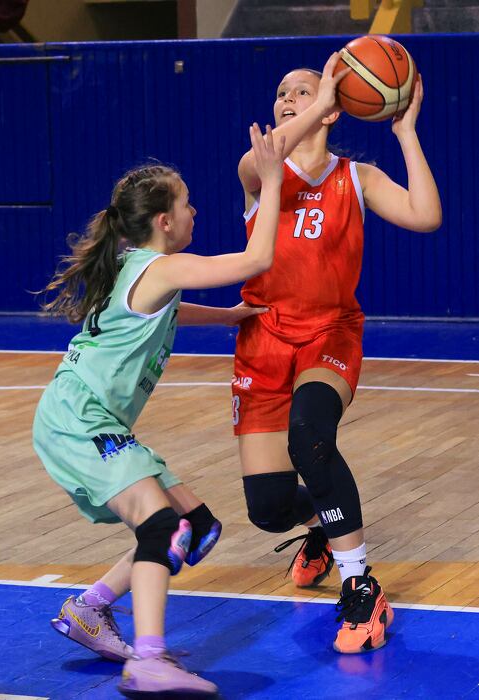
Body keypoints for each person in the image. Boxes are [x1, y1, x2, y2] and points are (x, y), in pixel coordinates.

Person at [32, 120, 296, 696]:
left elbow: (166, 307)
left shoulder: (135, 266)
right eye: (187, 203)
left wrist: (227, 317)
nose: (194, 211)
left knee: (196, 527)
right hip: (79, 421)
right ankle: (148, 660)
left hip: (84, 417)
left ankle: (90, 607)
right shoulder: (162, 266)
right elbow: (257, 259)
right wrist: (272, 181)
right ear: (163, 221)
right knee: (161, 526)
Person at [233, 53, 442, 654]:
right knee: (268, 508)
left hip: (330, 333)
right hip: (263, 340)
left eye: (302, 91)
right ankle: (323, 529)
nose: (287, 98)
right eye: (282, 92)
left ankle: (361, 585)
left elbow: (427, 216)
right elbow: (264, 157)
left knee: (310, 436)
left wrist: (405, 132)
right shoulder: (260, 168)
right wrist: (320, 103)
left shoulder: (357, 177)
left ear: (334, 106)